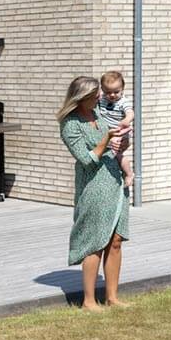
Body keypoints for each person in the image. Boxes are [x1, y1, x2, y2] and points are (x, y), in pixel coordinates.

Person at [57, 76, 130, 311]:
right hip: (93, 187)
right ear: (82, 97)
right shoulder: (70, 124)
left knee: (115, 241)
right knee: (95, 241)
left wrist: (122, 144)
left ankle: (112, 297)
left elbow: (114, 145)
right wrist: (107, 140)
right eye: (95, 94)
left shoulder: (98, 112)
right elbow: (87, 160)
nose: (101, 97)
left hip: (115, 181)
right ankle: (89, 301)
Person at [97, 70, 135, 188]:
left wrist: (126, 120)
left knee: (117, 154)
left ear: (122, 89)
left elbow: (130, 113)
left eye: (116, 92)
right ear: (103, 90)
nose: (112, 95)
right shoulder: (102, 99)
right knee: (108, 153)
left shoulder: (123, 102)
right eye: (108, 92)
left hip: (120, 132)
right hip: (109, 132)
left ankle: (129, 174)